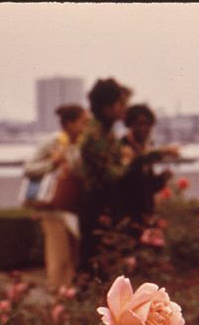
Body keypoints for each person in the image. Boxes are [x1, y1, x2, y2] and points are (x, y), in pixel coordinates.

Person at [23, 104, 89, 290]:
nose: (86, 127)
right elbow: (29, 168)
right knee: (58, 255)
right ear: (69, 123)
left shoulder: (81, 144)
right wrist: (53, 163)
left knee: (73, 255)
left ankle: (67, 294)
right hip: (52, 208)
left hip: (71, 206)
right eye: (83, 122)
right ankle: (59, 296)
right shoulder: (53, 142)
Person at [78, 78, 133, 278]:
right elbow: (110, 174)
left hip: (103, 203)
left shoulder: (104, 132)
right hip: (97, 204)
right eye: (120, 103)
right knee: (93, 263)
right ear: (107, 107)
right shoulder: (95, 136)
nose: (123, 108)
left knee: (104, 263)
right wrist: (129, 161)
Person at [118, 104, 179, 238]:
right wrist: (162, 152)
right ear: (130, 125)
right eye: (138, 124)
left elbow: (148, 186)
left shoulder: (145, 148)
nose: (143, 128)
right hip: (127, 216)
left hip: (146, 214)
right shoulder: (123, 146)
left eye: (147, 124)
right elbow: (130, 178)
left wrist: (163, 178)